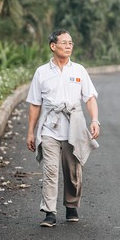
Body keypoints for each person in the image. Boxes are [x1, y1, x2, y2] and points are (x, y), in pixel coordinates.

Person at [26, 29, 100, 227]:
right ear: (53, 46)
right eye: (64, 43)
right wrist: (31, 132)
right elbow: (35, 104)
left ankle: (71, 205)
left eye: (71, 43)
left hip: (73, 127)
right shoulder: (42, 72)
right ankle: (49, 211)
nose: (69, 46)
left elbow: (90, 97)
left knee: (73, 171)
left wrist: (94, 120)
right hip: (49, 128)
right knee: (50, 171)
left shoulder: (79, 71)